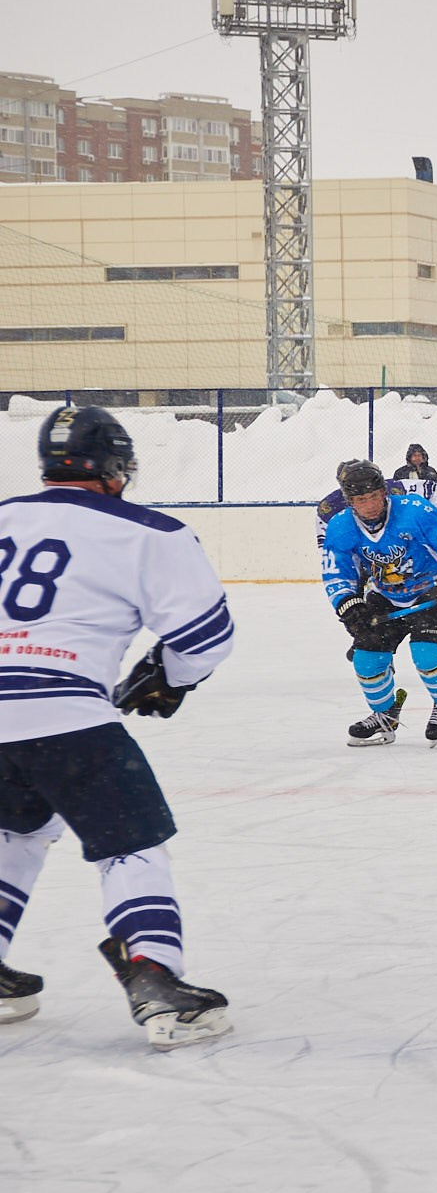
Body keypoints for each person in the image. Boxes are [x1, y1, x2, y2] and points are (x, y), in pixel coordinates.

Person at [0, 406, 236, 1047]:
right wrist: (168, 675)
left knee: (18, 828)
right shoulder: (148, 532)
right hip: (64, 714)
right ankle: (156, 979)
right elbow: (206, 637)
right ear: (113, 469)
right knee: (131, 841)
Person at [321, 460, 437, 747]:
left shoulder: (413, 510)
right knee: (367, 660)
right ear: (350, 502)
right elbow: (336, 573)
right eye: (361, 499)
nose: (370, 505)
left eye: (375, 496)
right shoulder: (340, 527)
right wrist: (349, 606)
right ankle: (385, 714)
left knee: (426, 654)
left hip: (433, 591)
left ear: (384, 492)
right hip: (385, 596)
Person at [390, 442, 437, 515]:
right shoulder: (401, 472)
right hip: (407, 507)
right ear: (410, 457)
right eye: (415, 455)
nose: (417, 458)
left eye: (419, 455)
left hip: (428, 506)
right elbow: (395, 491)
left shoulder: (430, 471)